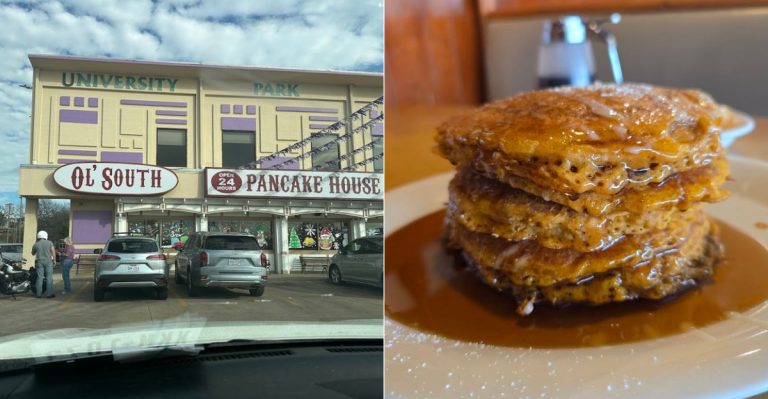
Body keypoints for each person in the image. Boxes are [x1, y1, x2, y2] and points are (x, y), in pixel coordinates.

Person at [31, 230, 55, 298]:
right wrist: (55, 260)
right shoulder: (50, 243)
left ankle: (38, 294)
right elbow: (53, 252)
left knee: (39, 277)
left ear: (38, 236)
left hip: (39, 262)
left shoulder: (36, 244)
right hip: (48, 261)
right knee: (49, 277)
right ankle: (49, 294)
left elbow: (32, 253)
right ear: (45, 236)